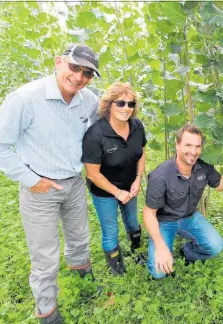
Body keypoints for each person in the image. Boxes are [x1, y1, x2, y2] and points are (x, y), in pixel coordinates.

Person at [0, 43, 101, 324]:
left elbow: (104, 128)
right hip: (40, 190)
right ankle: (47, 312)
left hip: (73, 183)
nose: (79, 77)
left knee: (80, 239)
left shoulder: (89, 100)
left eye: (87, 73)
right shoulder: (26, 98)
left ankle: (84, 280)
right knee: (45, 256)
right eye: (74, 67)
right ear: (59, 62)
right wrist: (31, 180)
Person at [143, 125, 223, 279]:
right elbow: (149, 213)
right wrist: (160, 245)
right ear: (177, 145)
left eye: (198, 146)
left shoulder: (204, 166)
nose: (194, 151)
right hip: (164, 221)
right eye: (188, 145)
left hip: (190, 218)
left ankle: (188, 252)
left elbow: (220, 185)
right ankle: (160, 247)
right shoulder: (160, 176)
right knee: (158, 272)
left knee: (216, 246)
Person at [82, 82, 147, 276]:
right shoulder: (95, 135)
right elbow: (93, 174)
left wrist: (137, 180)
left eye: (131, 104)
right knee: (110, 230)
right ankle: (118, 269)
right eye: (120, 103)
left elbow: (141, 154)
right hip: (104, 191)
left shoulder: (137, 126)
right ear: (109, 104)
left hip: (130, 186)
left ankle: (138, 252)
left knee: (133, 223)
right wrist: (117, 192)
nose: (126, 108)